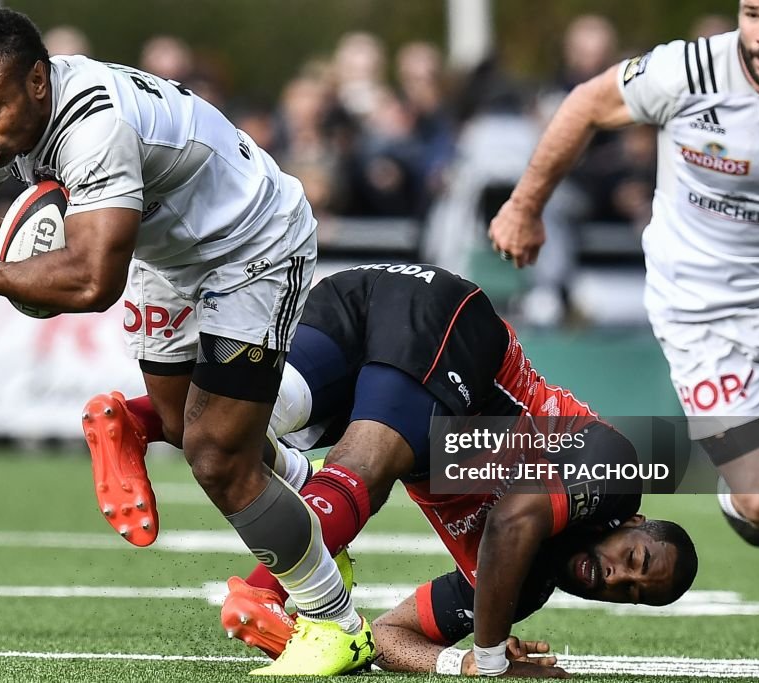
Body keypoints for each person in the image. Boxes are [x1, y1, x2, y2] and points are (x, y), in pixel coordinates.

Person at [0, 6, 371, 676]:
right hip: (170, 248)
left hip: (252, 242)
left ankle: (337, 623)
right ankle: (316, 515)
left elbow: (95, 280)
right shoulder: (3, 118)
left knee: (217, 456)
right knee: (187, 426)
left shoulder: (93, 128)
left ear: (38, 81)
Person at [216, 263, 697, 678]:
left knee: (220, 432)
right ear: (630, 523)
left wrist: (458, 662)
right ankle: (261, 590)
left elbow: (384, 636)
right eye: (635, 561)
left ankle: (152, 432)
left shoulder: (519, 586)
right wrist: (491, 659)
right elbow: (513, 518)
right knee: (364, 471)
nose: (614, 579)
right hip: (447, 329)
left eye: (630, 593)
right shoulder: (616, 472)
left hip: (379, 339)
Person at [490, 0, 759, 548]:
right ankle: (742, 498)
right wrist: (524, 207)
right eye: (753, 14)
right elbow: (585, 103)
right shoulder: (688, 69)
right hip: (700, 316)